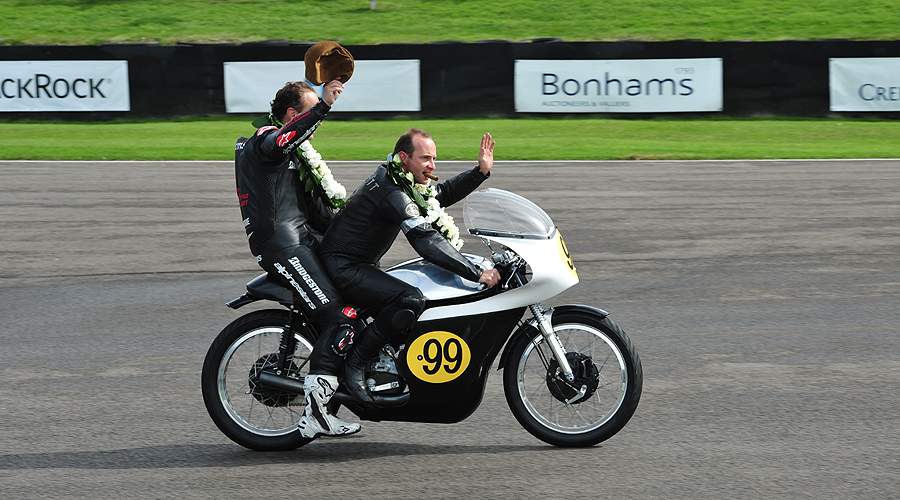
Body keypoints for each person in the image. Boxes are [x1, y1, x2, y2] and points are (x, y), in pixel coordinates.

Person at [319, 128, 502, 406]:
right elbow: (424, 240)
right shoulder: (391, 190)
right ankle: (355, 364)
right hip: (344, 267)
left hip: (357, 263)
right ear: (404, 158)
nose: (433, 166)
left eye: (434, 158)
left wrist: (479, 172)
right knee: (410, 298)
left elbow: (438, 194)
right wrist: (476, 272)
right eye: (426, 158)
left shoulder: (400, 180)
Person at [234, 79, 361, 438]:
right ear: (293, 116)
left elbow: (318, 212)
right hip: (284, 246)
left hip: (302, 240)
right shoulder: (266, 140)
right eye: (308, 116)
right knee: (339, 314)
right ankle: (318, 414)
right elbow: (284, 139)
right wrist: (324, 106)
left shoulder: (294, 154)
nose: (316, 128)